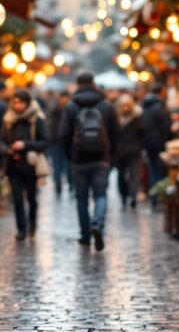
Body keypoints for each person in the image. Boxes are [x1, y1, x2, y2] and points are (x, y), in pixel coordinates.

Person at [59, 73, 119, 251]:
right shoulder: (106, 106)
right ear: (93, 83)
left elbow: (63, 135)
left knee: (81, 198)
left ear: (77, 84)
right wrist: (110, 154)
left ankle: (85, 236)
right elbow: (116, 133)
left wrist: (70, 155)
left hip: (78, 161)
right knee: (101, 194)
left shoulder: (71, 107)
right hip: (101, 159)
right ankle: (97, 224)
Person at [0, 90, 48, 240]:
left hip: (30, 166)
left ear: (27, 103)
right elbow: (0, 140)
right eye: (14, 102)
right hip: (13, 165)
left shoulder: (36, 118)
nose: (17, 105)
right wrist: (7, 149)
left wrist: (25, 144)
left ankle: (32, 223)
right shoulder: (8, 118)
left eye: (20, 102)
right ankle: (21, 229)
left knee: (31, 198)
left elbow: (44, 142)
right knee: (17, 199)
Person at [141, 83, 171, 206]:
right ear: (161, 91)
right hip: (158, 143)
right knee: (159, 170)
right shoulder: (159, 107)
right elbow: (166, 126)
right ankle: (158, 198)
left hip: (149, 143)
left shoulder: (146, 105)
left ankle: (154, 197)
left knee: (153, 169)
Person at [113, 93, 145, 209]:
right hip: (120, 152)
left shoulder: (137, 118)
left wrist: (139, 146)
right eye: (123, 105)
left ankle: (132, 196)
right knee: (121, 175)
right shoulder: (116, 118)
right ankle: (123, 196)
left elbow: (142, 134)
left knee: (134, 175)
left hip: (133, 151)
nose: (125, 108)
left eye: (127, 105)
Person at [47, 90, 72, 195]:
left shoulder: (54, 110)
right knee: (62, 165)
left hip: (59, 142)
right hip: (59, 142)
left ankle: (65, 185)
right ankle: (63, 185)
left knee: (63, 165)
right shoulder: (69, 110)